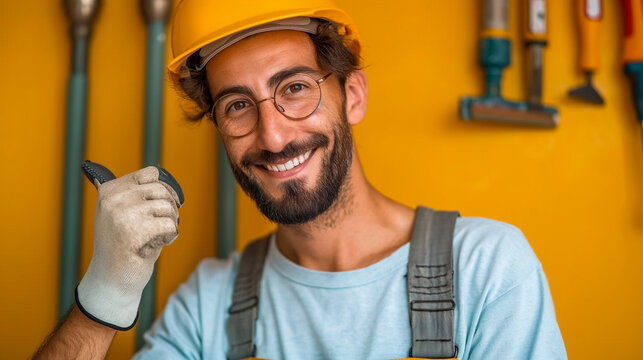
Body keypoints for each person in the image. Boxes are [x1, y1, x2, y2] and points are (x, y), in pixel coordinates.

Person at [34, 0, 567, 359]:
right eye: (238, 105)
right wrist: (102, 301)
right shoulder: (207, 308)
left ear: (352, 95)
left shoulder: (487, 271)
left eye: (293, 88)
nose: (272, 136)